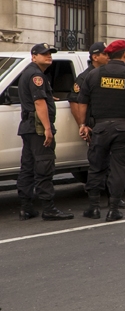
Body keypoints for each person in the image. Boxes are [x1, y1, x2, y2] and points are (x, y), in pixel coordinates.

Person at [76, 40, 125, 221]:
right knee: (118, 168)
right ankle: (114, 209)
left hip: (100, 128)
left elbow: (82, 103)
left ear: (108, 55)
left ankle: (94, 208)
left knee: (96, 167)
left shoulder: (93, 75)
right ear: (124, 55)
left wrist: (83, 124)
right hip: (123, 128)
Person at [16, 43, 73, 221]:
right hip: (38, 129)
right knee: (44, 167)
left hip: (28, 127)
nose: (48, 56)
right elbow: (39, 103)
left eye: (50, 53)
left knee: (28, 168)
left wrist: (48, 97)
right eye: (44, 54)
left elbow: (38, 98)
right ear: (34, 56)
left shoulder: (29, 72)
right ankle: (48, 209)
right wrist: (47, 128)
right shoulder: (36, 75)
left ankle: (26, 208)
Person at [69, 42, 109, 131]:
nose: (108, 56)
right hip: (94, 126)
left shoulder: (109, 74)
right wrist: (82, 125)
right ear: (95, 57)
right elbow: (74, 102)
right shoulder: (85, 77)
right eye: (105, 54)